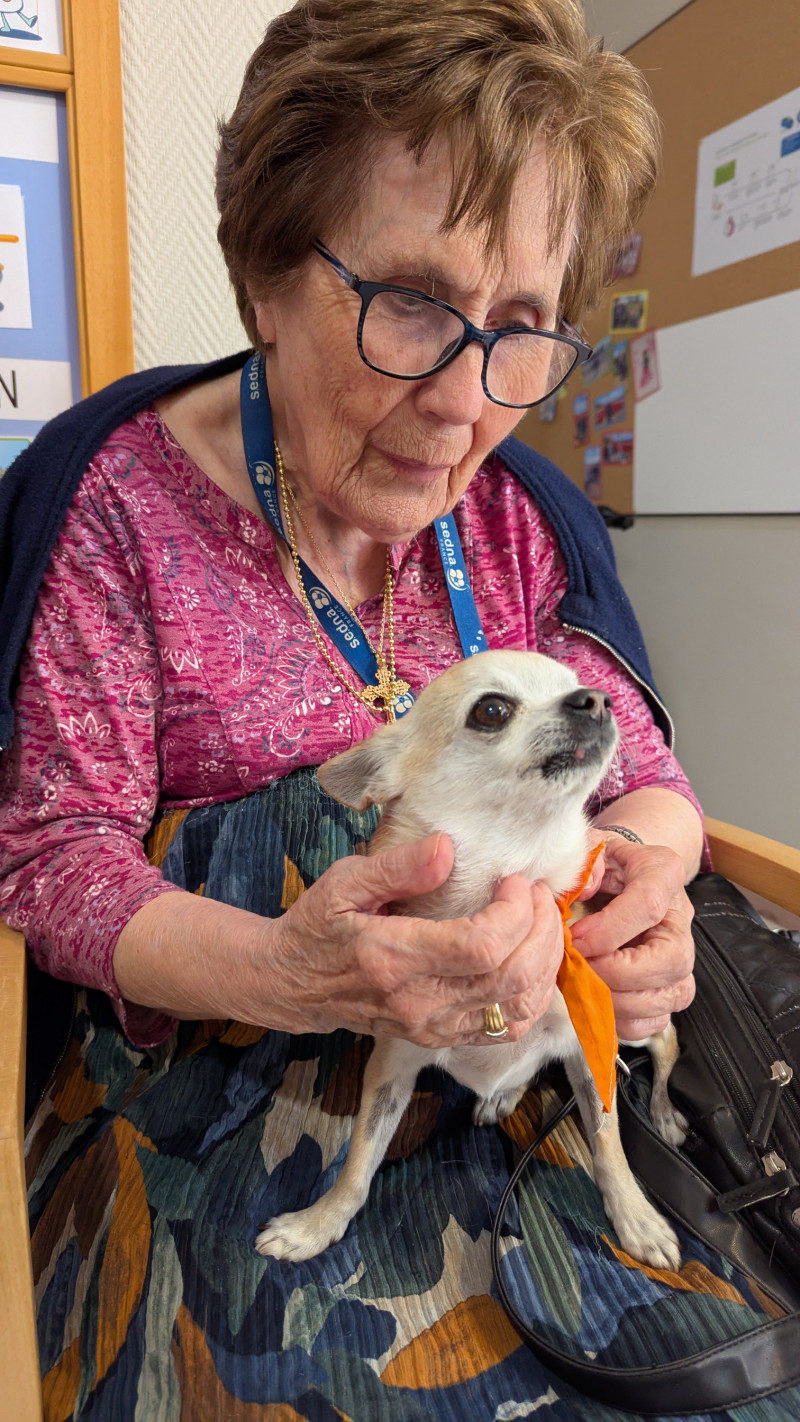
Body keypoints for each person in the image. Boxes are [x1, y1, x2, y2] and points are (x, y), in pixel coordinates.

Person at [2, 2, 792, 1418]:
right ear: (263, 271)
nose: (466, 401)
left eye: (525, 329)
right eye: (415, 302)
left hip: (538, 1071)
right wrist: (287, 971)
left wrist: (650, 888)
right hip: (226, 1097)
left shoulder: (527, 523)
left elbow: (650, 774)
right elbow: (55, 859)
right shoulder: (114, 504)